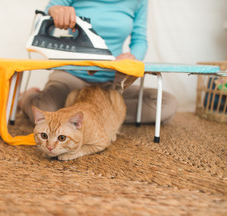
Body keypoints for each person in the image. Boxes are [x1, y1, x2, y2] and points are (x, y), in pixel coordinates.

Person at [19, 0, 178, 124]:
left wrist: (132, 57)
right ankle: (27, 97)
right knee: (47, 115)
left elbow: (140, 40)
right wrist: (54, 11)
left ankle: (85, 113)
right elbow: (49, 12)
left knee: (167, 104)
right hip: (71, 77)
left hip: (111, 82)